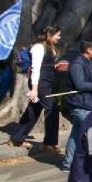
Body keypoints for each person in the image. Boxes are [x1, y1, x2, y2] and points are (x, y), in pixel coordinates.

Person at [9, 25, 63, 153]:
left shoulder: (51, 47)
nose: (59, 38)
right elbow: (36, 69)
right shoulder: (39, 47)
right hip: (39, 83)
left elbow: (46, 65)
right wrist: (34, 89)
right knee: (52, 108)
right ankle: (49, 143)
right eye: (58, 35)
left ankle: (16, 138)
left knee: (34, 109)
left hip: (46, 82)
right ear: (49, 34)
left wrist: (55, 67)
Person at [61, 40, 92, 172]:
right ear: (88, 50)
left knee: (76, 134)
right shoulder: (77, 65)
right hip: (79, 105)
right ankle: (85, 162)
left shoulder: (89, 63)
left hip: (87, 103)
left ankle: (68, 163)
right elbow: (80, 84)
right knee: (91, 131)